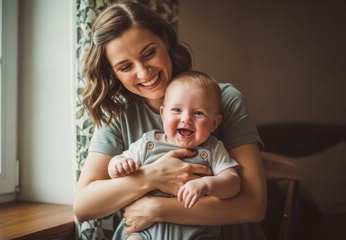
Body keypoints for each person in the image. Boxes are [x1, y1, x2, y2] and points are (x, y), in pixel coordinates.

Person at [74, 2, 267, 239]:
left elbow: (253, 205)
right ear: (113, 73)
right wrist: (152, 176)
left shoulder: (225, 99)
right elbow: (84, 206)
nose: (144, 73)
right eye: (125, 67)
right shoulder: (118, 114)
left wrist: (157, 209)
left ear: (165, 40)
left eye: (149, 53)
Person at [108, 71, 241, 239]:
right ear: (163, 114)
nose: (186, 119)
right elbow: (116, 167)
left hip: (195, 232)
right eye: (177, 110)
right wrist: (117, 164)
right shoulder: (146, 144)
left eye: (198, 113)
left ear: (214, 123)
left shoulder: (213, 149)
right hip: (145, 232)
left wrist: (207, 184)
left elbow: (233, 183)